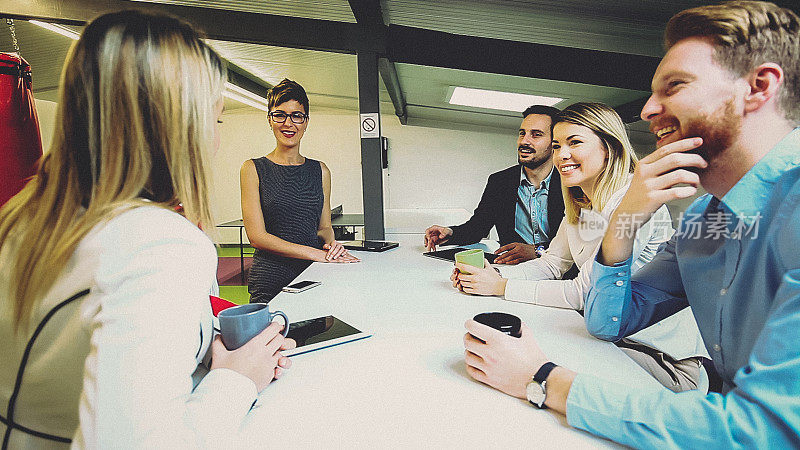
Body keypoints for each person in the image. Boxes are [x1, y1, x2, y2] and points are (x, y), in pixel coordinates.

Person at [463, 1, 800, 446]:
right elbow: (608, 322)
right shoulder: (703, 222)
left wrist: (543, 379)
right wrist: (621, 223)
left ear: (759, 87)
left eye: (674, 86)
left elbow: (767, 432)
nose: (646, 110)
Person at [0, 11, 294, 448]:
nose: (215, 139)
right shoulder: (158, 243)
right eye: (215, 120)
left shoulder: (21, 219)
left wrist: (192, 339)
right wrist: (236, 380)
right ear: (181, 127)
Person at [454, 102, 706, 392]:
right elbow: (551, 264)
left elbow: (583, 294)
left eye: (574, 143)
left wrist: (500, 288)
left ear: (608, 148)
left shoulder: (633, 201)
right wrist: (491, 276)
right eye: (558, 144)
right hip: (608, 340)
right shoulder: (581, 202)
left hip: (660, 359)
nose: (561, 155)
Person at [241, 79, 358, 303]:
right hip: (271, 281)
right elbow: (257, 237)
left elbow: (324, 227)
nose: (288, 123)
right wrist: (317, 254)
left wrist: (332, 247)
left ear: (306, 122)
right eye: (280, 115)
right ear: (269, 119)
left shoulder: (320, 170)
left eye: (297, 115)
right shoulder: (253, 168)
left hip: (314, 276)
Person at [424, 105, 566, 265]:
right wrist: (449, 233)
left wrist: (538, 251)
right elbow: (478, 227)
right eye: (522, 133)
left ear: (555, 143)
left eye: (536, 135)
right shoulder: (500, 182)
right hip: (513, 270)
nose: (524, 141)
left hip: (562, 274)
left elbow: (583, 242)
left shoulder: (571, 184)